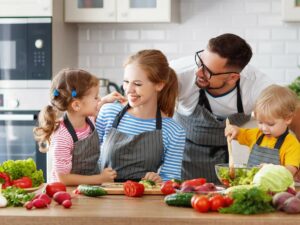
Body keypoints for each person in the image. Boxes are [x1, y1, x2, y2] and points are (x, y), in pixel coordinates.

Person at [170, 33, 274, 183]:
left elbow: (292, 113)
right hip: (182, 155)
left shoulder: (257, 85)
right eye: (199, 62)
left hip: (225, 159)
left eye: (208, 71)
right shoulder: (177, 73)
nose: (198, 72)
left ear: (233, 78)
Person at [96, 49, 186, 183]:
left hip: (143, 200)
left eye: (137, 84)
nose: (129, 89)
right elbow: (88, 159)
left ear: (159, 85)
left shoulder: (174, 131)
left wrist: (159, 181)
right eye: (126, 82)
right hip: (101, 196)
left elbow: (172, 181)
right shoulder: (109, 112)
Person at [33, 68, 125, 185]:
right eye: (96, 97)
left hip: (85, 188)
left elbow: (94, 107)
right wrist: (100, 178)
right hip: (66, 192)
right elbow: (64, 179)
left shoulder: (89, 120)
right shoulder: (63, 137)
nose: (99, 99)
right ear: (76, 105)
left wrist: (105, 100)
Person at [225, 84, 300, 177]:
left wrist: (269, 169)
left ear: (287, 119)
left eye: (270, 124)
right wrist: (233, 129)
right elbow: (238, 133)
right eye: (260, 122)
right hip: (251, 185)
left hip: (277, 189)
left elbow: (290, 171)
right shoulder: (256, 134)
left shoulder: (292, 144)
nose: (264, 128)